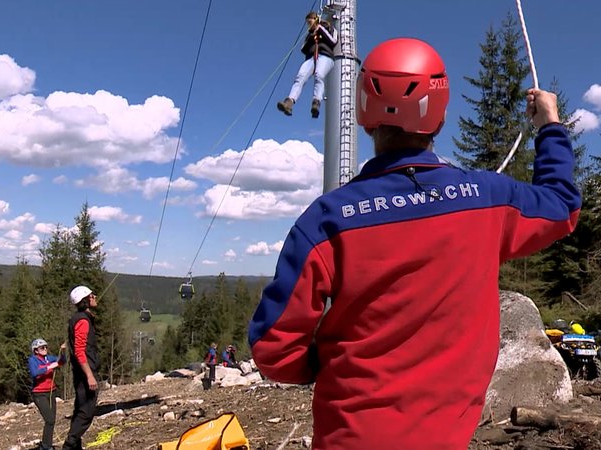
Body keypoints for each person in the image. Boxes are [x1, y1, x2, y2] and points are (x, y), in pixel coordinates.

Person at [249, 37, 581, 448]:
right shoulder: (488, 200)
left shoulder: (326, 220)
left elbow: (272, 348)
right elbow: (561, 206)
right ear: (439, 119)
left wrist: (324, 363)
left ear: (365, 117)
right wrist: (549, 126)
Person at [276, 11, 338, 118]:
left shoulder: (329, 28)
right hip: (311, 58)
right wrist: (311, 36)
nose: (309, 24)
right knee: (300, 77)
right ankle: (289, 102)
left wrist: (320, 29)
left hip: (325, 56)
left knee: (319, 75)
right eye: (308, 23)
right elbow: (303, 49)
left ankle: (316, 102)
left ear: (316, 19)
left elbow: (333, 41)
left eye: (311, 21)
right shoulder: (309, 34)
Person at [62, 285, 100, 450]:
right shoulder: (83, 321)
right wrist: (90, 375)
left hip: (82, 372)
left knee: (79, 409)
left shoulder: (81, 318)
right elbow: (79, 351)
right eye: (92, 295)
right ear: (86, 300)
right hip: (85, 373)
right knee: (86, 412)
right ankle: (69, 445)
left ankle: (74, 447)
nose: (95, 297)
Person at [28, 338, 67, 450]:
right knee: (49, 419)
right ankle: (46, 447)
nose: (45, 349)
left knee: (52, 420)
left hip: (51, 392)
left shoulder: (48, 358)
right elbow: (35, 372)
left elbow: (61, 361)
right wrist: (50, 366)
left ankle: (47, 445)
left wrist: (63, 351)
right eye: (42, 348)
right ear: (36, 350)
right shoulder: (33, 360)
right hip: (39, 394)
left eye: (46, 347)